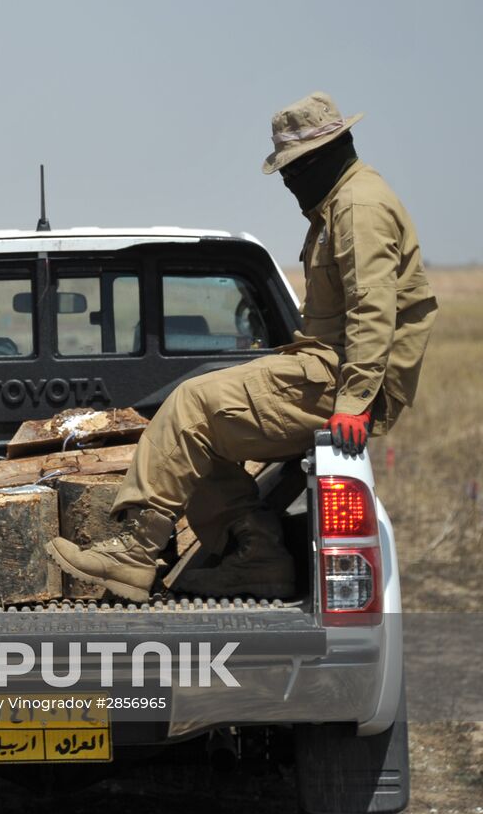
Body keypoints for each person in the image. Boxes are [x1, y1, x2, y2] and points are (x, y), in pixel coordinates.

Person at [47, 92, 436, 602]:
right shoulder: (341, 204)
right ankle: (257, 560)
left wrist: (353, 403)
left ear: (322, 157)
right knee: (207, 431)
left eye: (293, 170)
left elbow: (372, 307)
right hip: (328, 368)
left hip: (342, 379)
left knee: (193, 404)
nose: (290, 183)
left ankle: (136, 552)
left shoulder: (358, 206)